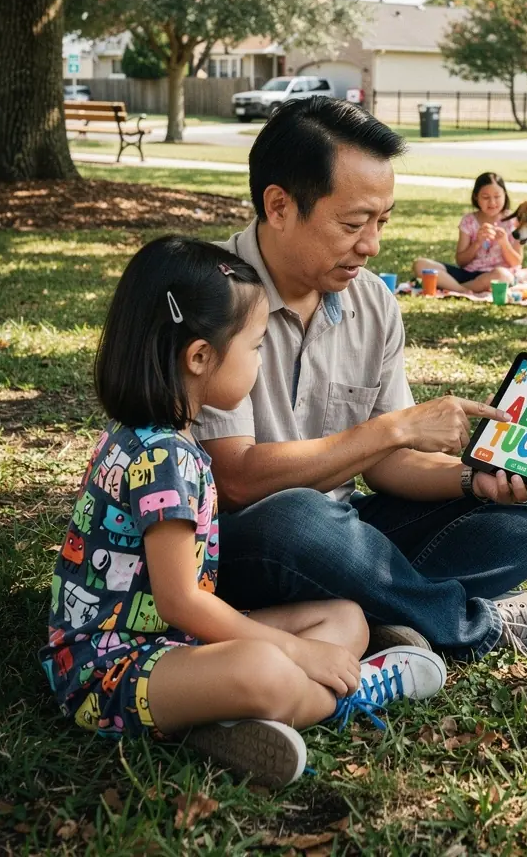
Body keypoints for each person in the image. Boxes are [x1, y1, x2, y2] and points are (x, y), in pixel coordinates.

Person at [195, 98, 527, 662]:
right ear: (279, 206)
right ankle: (479, 626)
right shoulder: (208, 294)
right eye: (352, 224)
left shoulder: (370, 301)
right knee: (299, 514)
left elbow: (385, 465)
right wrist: (396, 429)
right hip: (237, 546)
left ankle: (370, 617)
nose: (371, 245)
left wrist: (474, 481)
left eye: (382, 222)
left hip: (346, 538)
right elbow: (237, 482)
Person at [41, 236, 446, 789]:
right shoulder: (165, 456)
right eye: (256, 346)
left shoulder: (154, 437)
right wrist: (294, 650)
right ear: (200, 356)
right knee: (267, 670)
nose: (260, 359)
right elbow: (180, 602)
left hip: (172, 646)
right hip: (111, 670)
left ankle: (216, 719)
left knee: (347, 618)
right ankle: (350, 695)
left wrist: (295, 645)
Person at [412, 172, 523, 293]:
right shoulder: (469, 221)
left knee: (502, 276)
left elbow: (516, 262)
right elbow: (462, 262)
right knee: (420, 264)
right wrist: (477, 242)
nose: (492, 202)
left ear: (505, 195)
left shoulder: (513, 221)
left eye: (497, 197)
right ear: (476, 197)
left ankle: (452, 287)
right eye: (486, 197)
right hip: (468, 273)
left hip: (496, 274)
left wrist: (504, 243)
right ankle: (462, 289)